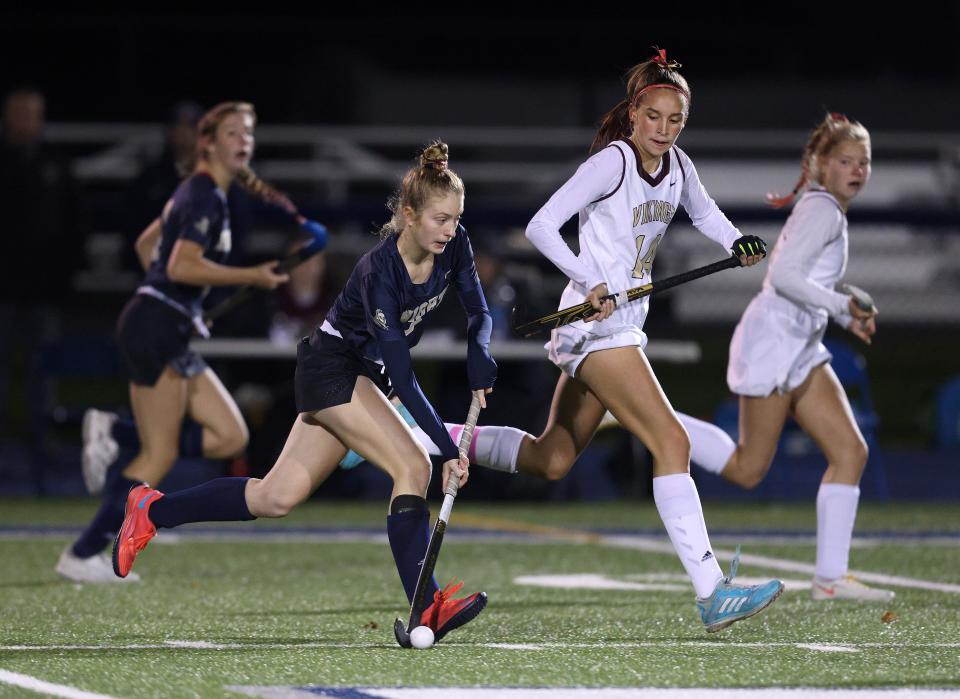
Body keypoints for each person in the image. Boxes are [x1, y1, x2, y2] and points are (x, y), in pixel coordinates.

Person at [341, 50, 784, 633]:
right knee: (669, 440)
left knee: (550, 459)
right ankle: (711, 592)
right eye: (653, 117)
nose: (663, 130)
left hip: (623, 326)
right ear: (633, 114)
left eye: (675, 120)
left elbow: (706, 215)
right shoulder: (612, 164)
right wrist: (589, 277)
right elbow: (542, 224)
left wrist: (738, 242)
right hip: (595, 326)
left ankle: (423, 431)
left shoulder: (678, 167)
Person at [112, 142, 496, 644]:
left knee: (275, 496)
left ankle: (150, 509)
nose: (450, 229)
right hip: (332, 370)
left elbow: (479, 311)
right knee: (415, 466)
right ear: (408, 216)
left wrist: (479, 353)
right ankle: (428, 606)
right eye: (440, 219)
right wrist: (449, 450)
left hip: (359, 375)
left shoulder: (456, 244)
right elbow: (402, 376)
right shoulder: (380, 272)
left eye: (455, 219)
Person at [55, 101, 290, 583]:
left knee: (230, 434)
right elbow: (180, 265)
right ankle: (82, 552)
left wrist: (178, 302)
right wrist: (250, 275)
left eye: (248, 132)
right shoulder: (203, 194)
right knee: (158, 455)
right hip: (154, 328)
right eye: (231, 133)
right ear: (207, 143)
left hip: (166, 323)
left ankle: (112, 430)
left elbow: (148, 248)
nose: (243, 141)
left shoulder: (197, 191)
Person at [674, 113, 893, 602]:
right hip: (773, 343)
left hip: (799, 346)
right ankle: (644, 416)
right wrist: (840, 305)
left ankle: (829, 581)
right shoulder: (824, 211)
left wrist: (845, 315)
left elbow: (804, 282)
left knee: (850, 452)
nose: (857, 169)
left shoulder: (825, 207)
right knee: (748, 469)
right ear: (820, 163)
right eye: (845, 161)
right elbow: (785, 277)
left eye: (864, 162)